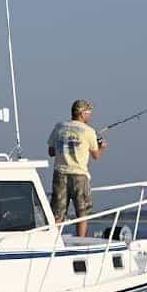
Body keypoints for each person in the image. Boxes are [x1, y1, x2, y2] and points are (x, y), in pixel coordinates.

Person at [47, 99, 108, 237]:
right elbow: (96, 156)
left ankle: (53, 241)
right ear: (81, 114)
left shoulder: (59, 127)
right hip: (79, 176)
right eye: (88, 113)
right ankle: (81, 240)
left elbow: (51, 152)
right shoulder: (89, 131)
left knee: (58, 212)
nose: (90, 116)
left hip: (60, 174)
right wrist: (102, 147)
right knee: (82, 212)